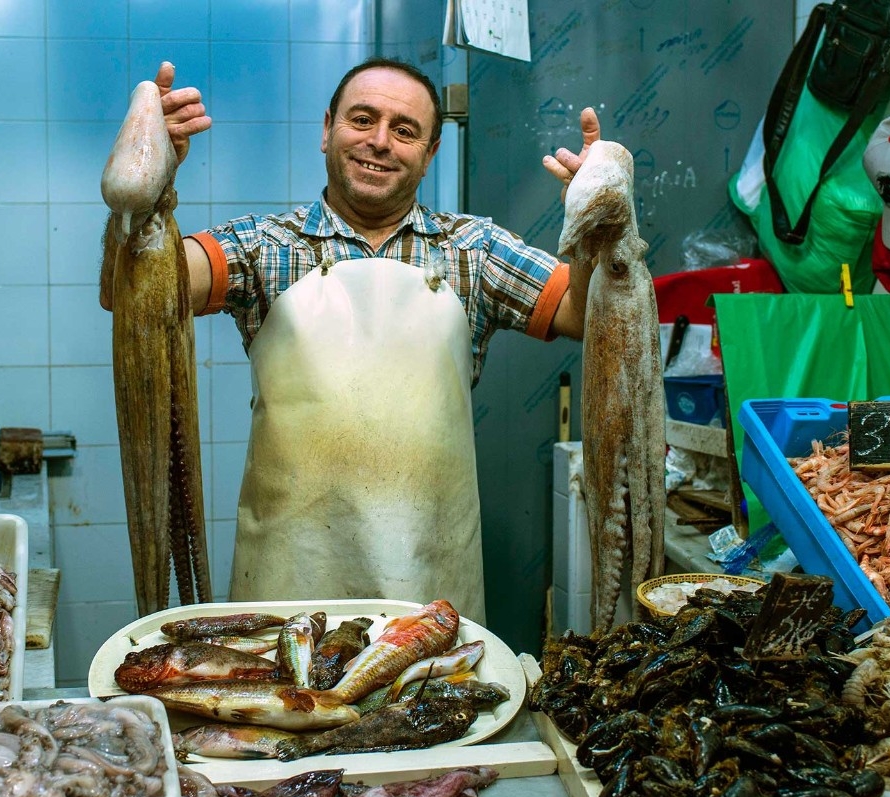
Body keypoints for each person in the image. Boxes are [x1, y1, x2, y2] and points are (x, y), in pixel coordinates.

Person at [104, 58, 601, 625]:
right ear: (326, 130)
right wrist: (146, 192)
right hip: (285, 590)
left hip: (429, 589)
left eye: (405, 130)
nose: (380, 142)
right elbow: (135, 293)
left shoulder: (475, 250)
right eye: (362, 119)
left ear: (430, 153)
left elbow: (584, 313)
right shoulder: (263, 246)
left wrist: (594, 233)